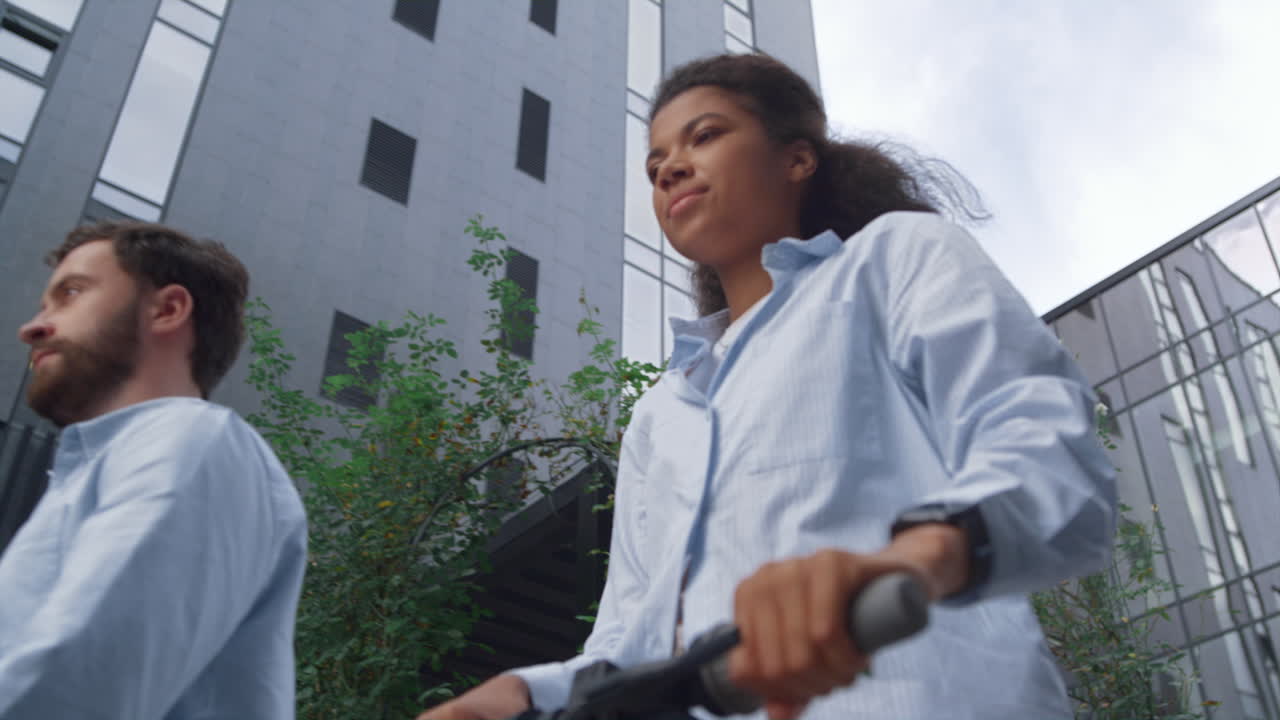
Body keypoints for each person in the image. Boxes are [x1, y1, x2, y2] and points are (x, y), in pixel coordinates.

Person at [420, 53, 1115, 720]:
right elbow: (634, 639)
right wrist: (526, 691)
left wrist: (913, 560)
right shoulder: (661, 411)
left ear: (797, 158)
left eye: (704, 136)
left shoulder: (892, 260)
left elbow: (1048, 454)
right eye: (655, 166)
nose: (670, 170)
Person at [0, 222, 307, 718]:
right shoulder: (114, 466)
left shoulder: (192, 441)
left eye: (71, 293)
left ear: (167, 310)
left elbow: (71, 683)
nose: (31, 328)